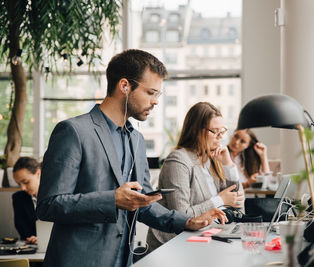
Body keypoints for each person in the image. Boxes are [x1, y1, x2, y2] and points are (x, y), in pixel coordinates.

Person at [36, 49, 226, 267]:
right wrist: (113, 200)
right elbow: (48, 205)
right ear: (125, 86)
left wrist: (188, 222)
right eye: (151, 92)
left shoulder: (136, 139)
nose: (155, 102)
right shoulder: (74, 131)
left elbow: (143, 203)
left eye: (158, 94)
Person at [146, 102, 245, 252]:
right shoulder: (178, 160)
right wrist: (219, 200)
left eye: (222, 131)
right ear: (196, 131)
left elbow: (237, 206)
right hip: (173, 246)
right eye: (214, 131)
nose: (220, 137)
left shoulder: (213, 159)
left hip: (204, 241)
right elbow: (181, 215)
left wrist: (229, 165)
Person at [11, 157, 41, 244]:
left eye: (26, 182)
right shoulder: (18, 198)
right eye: (19, 184)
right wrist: (32, 239)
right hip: (31, 248)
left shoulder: (56, 196)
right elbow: (22, 229)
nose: (22, 188)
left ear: (38, 174)